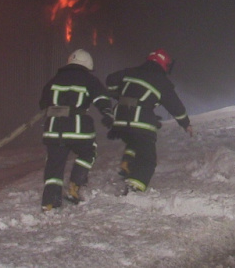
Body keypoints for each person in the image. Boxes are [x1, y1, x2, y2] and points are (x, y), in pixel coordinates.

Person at [105, 48, 193, 194]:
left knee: (135, 140)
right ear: (164, 64)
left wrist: (119, 95)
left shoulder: (130, 71)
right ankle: (135, 187)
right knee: (148, 159)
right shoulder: (161, 81)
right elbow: (175, 105)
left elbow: (110, 80)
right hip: (139, 119)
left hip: (119, 118)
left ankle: (128, 161)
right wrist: (186, 123)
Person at [39, 49, 114, 211]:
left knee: (54, 164)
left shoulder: (54, 80)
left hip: (54, 129)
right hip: (77, 129)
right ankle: (74, 186)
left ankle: (50, 202)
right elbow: (101, 98)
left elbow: (43, 104)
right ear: (88, 65)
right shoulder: (89, 79)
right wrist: (107, 113)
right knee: (88, 152)